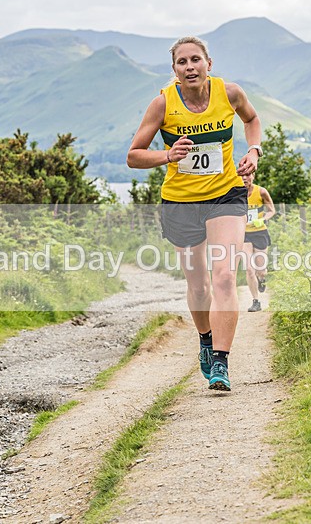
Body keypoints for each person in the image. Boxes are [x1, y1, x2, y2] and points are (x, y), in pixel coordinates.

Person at [127, 36, 262, 392]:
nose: (189, 67)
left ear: (209, 63)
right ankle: (204, 337)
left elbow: (252, 119)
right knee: (199, 284)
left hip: (226, 196)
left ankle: (220, 360)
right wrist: (167, 156)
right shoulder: (163, 104)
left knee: (223, 278)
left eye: (195, 60)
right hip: (181, 202)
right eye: (182, 62)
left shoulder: (229, 93)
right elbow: (134, 155)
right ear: (174, 70)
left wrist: (254, 151)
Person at [242, 172, 275, 312]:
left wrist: (263, 219)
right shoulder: (235, 194)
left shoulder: (261, 191)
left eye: (247, 175)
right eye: (241, 176)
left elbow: (271, 210)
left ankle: (262, 279)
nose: (244, 178)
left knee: (261, 271)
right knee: (249, 269)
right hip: (243, 234)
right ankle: (256, 301)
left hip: (260, 232)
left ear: (253, 176)